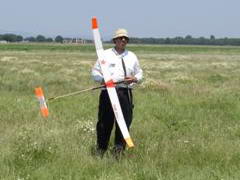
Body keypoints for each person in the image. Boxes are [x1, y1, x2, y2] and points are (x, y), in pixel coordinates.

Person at [91, 28, 143, 157]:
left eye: (125, 38)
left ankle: (119, 151)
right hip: (108, 93)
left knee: (124, 121)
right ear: (115, 40)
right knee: (104, 122)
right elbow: (95, 72)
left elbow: (139, 72)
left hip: (125, 93)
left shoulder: (132, 56)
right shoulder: (105, 54)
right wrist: (102, 79)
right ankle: (101, 149)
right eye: (120, 38)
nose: (123, 40)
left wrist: (135, 78)